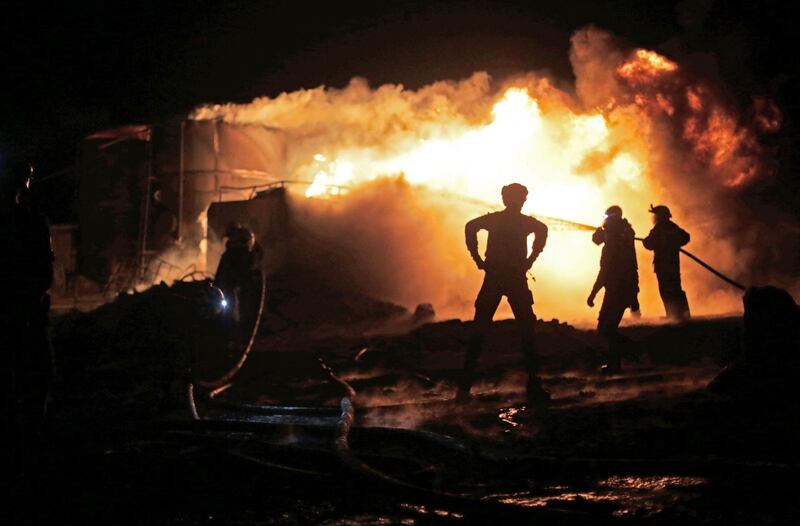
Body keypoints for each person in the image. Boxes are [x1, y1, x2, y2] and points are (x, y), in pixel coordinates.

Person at [459, 183, 549, 405]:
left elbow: (470, 227)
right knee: (526, 329)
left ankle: (463, 390)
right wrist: (530, 259)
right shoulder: (525, 223)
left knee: (479, 330)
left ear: (504, 199)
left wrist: (478, 258)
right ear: (522, 200)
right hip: (515, 278)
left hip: (495, 277)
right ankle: (533, 384)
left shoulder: (495, 220)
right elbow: (542, 229)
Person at [0, 158, 54, 486]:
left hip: (21, 314)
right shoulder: (31, 221)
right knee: (36, 379)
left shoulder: (29, 220)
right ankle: (28, 454)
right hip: (25, 317)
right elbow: (43, 274)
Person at [587, 205, 640, 373]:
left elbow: (606, 271)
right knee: (608, 328)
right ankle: (615, 363)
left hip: (617, 291)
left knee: (606, 328)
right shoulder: (624, 236)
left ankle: (631, 351)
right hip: (620, 290)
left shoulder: (615, 245)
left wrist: (593, 293)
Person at [643, 204, 690, 321]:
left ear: (660, 216)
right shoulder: (673, 227)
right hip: (673, 264)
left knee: (665, 290)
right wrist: (674, 243)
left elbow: (649, 244)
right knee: (676, 288)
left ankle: (672, 315)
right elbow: (686, 237)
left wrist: (646, 241)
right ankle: (683, 314)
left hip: (662, 265)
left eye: (655, 215)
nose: (654, 218)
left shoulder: (658, 228)